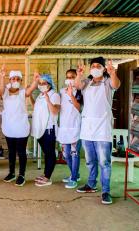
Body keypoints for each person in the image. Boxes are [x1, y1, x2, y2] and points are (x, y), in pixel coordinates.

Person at [74, 57, 121, 205]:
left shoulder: (107, 82)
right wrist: (79, 74)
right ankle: (91, 184)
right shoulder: (87, 83)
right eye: (92, 66)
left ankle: (106, 191)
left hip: (102, 129)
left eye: (98, 65)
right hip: (87, 128)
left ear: (103, 68)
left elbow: (116, 84)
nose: (95, 67)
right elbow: (77, 85)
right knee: (90, 161)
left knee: (104, 162)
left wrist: (112, 72)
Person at [0, 68, 38, 186]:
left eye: (18, 79)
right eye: (13, 78)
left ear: (20, 81)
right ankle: (11, 173)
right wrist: (1, 77)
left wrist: (35, 81)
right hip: (9, 126)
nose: (15, 80)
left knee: (21, 152)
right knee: (11, 152)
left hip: (21, 127)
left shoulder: (22, 92)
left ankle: (21, 174)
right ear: (9, 80)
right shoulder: (5, 91)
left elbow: (30, 90)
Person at [31, 73, 61, 187]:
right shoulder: (40, 95)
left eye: (44, 83)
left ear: (50, 84)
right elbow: (36, 107)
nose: (42, 85)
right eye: (40, 83)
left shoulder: (54, 95)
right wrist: (30, 97)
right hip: (40, 129)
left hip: (49, 129)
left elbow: (54, 111)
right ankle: (45, 174)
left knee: (50, 153)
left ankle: (48, 178)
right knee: (46, 153)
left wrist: (48, 100)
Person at [57, 69, 83, 189]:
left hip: (75, 127)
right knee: (66, 154)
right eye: (68, 77)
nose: (70, 79)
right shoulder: (62, 91)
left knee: (74, 154)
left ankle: (73, 178)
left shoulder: (80, 91)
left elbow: (79, 108)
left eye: (72, 77)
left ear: (76, 77)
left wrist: (71, 95)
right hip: (64, 127)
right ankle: (75, 174)